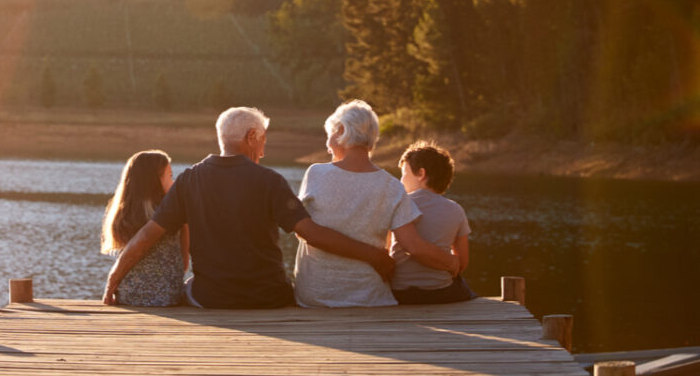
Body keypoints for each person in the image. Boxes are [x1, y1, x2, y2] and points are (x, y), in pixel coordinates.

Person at [104, 107, 394, 309]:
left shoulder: (189, 180)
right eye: (263, 141)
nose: (264, 152)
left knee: (189, 286)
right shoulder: (270, 181)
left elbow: (146, 237)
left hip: (210, 299)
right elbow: (311, 233)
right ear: (251, 136)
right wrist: (374, 256)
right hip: (269, 298)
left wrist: (112, 281)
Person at [293, 100, 459, 307]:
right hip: (369, 298)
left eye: (329, 136)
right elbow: (413, 246)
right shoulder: (392, 186)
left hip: (315, 296)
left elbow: (303, 232)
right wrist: (452, 262)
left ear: (341, 131)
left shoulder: (316, 173)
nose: (327, 147)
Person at [390, 141, 477, 304]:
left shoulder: (398, 205)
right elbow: (463, 263)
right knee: (464, 287)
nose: (401, 180)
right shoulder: (456, 210)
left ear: (421, 174)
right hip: (441, 292)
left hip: (400, 293)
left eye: (404, 173)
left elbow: (388, 252)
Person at [100, 150, 189, 306]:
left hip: (129, 295)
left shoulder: (123, 214)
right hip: (167, 297)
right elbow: (184, 262)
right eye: (170, 176)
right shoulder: (174, 213)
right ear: (154, 181)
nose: (173, 182)